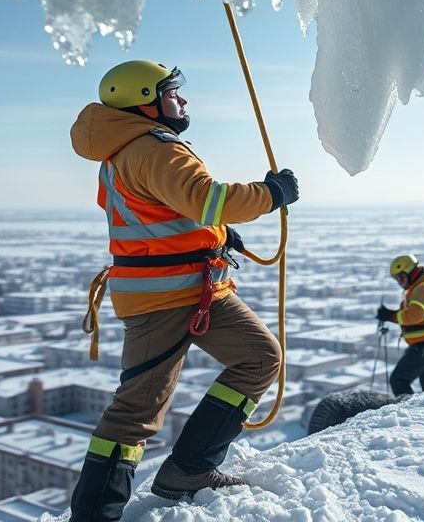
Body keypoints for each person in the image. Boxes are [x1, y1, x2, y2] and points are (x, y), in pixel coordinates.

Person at [67, 60, 298, 520]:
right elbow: (207, 198)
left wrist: (214, 234)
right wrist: (271, 193)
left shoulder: (130, 151)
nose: (182, 99)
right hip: (164, 298)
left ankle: (189, 470)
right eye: (172, 92)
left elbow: (158, 213)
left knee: (259, 358)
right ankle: (95, 514)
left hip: (196, 289)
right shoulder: (155, 149)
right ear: (146, 102)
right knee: (135, 414)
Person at [377, 254, 424, 396]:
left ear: (411, 272)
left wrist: (390, 316)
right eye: (397, 279)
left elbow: (414, 315)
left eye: (401, 277)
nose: (400, 282)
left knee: (399, 380)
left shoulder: (422, 288)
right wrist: (393, 314)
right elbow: (417, 314)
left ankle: (409, 414)